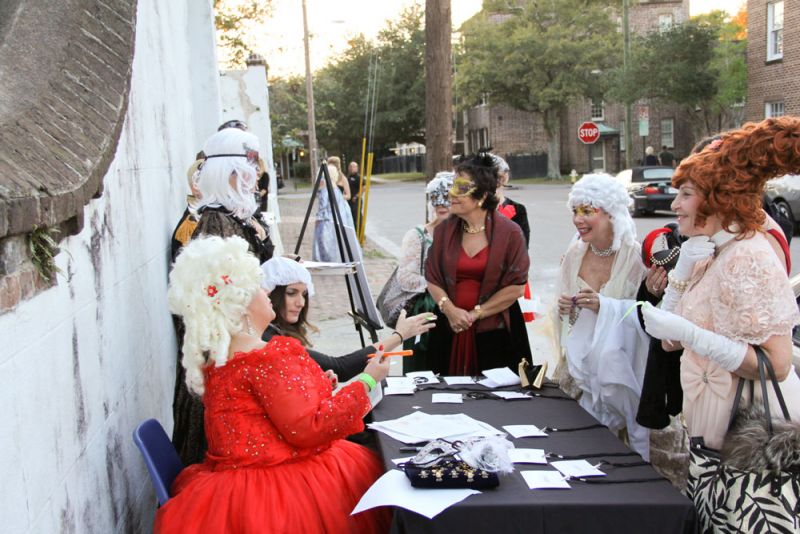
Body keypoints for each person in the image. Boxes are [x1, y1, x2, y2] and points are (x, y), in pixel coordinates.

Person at [155, 236, 391, 533]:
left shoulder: (220, 357)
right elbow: (310, 429)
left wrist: (318, 388)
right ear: (240, 303)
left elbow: (262, 413)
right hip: (282, 492)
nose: (267, 290)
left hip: (229, 488)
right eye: (257, 285)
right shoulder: (265, 357)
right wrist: (369, 380)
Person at [641, 117, 800, 457]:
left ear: (717, 198)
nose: (674, 205)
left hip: (748, 431)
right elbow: (667, 340)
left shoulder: (748, 255)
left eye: (686, 194)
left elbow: (778, 363)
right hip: (707, 421)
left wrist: (690, 333)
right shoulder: (708, 250)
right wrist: (681, 272)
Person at [171, 127, 274, 465]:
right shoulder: (215, 224)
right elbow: (221, 306)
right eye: (244, 174)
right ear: (226, 175)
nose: (251, 182)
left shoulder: (232, 218)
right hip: (222, 365)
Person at [553, 173, 652, 458]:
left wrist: (605, 306)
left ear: (611, 214)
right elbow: (566, 321)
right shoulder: (574, 255)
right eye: (575, 211)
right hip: (582, 369)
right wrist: (566, 310)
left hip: (625, 371)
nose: (578, 219)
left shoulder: (635, 258)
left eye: (588, 211)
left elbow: (646, 319)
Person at [425, 152, 531, 376]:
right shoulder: (444, 231)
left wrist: (474, 314)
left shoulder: (510, 233)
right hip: (449, 328)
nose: (451, 193)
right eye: (453, 186)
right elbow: (432, 277)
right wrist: (450, 310)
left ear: (482, 195)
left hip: (495, 332)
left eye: (460, 188)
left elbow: (516, 287)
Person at [260, 256, 436, 381]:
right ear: (269, 294)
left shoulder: (272, 330)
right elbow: (340, 367)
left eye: (304, 294)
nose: (300, 302)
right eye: (291, 293)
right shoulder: (268, 338)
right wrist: (398, 337)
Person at [394, 172, 453, 372]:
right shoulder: (418, 236)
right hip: (426, 314)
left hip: (455, 313)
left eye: (447, 200)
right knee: (423, 370)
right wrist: (436, 286)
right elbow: (404, 277)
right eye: (437, 201)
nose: (442, 206)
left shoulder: (464, 235)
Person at [492, 153, 534, 322]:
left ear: (503, 180)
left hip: (510, 277)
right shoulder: (473, 211)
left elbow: (523, 249)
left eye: (497, 179)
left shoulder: (517, 209)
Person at [312, 160, 356, 262]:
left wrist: (319, 218)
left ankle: (326, 258)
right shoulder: (333, 188)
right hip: (336, 214)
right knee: (334, 238)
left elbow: (323, 205)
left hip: (329, 216)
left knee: (325, 238)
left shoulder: (327, 188)